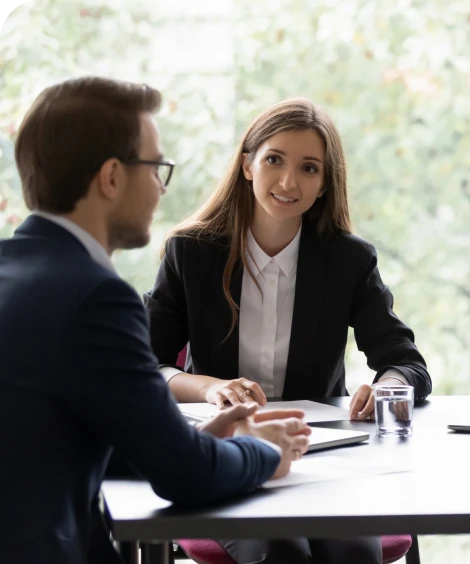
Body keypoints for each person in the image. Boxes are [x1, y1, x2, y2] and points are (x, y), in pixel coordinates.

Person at [0, 76, 309, 564]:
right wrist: (265, 449)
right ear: (112, 178)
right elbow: (186, 476)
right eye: (155, 168)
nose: (161, 188)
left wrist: (181, 440)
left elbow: (52, 434)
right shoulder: (96, 297)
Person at [145, 98, 430, 563]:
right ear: (247, 166)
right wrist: (211, 387)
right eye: (274, 159)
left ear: (324, 185)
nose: (288, 182)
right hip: (229, 456)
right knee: (283, 551)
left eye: (309, 168)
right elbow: (149, 368)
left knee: (353, 552)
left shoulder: (348, 260)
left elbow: (404, 362)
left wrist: (387, 387)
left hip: (320, 457)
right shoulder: (191, 252)